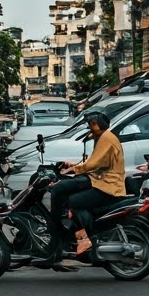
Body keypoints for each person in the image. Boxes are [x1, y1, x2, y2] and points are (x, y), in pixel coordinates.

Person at [52, 109, 126, 256]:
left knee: (72, 201)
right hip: (101, 181)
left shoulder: (106, 138)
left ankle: (83, 238)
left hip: (108, 186)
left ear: (96, 124)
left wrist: (73, 170)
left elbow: (93, 163)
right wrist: (73, 166)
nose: (89, 127)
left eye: (90, 124)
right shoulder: (103, 137)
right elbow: (95, 163)